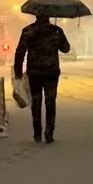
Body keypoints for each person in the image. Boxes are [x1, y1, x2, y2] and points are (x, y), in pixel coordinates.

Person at [13, 14, 71, 143]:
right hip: (51, 73)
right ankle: (49, 133)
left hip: (35, 72)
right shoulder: (56, 31)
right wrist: (58, 38)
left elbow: (20, 52)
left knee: (36, 102)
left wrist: (18, 72)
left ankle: (37, 133)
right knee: (50, 102)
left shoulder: (28, 31)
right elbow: (66, 49)